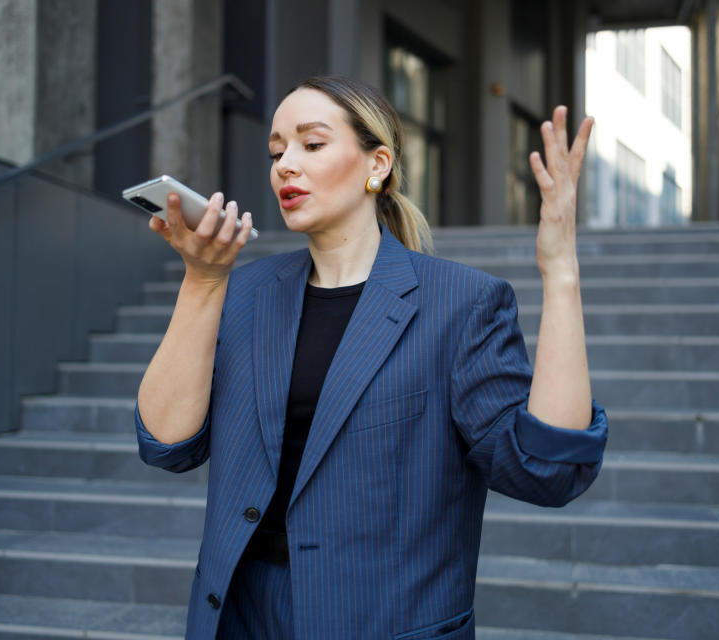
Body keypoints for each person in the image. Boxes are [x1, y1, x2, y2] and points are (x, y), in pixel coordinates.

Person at [134, 75, 607, 639]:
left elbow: (546, 470)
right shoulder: (246, 292)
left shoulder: (461, 304)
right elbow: (165, 444)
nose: (286, 164)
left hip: (382, 622)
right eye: (276, 150)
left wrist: (560, 272)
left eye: (311, 144)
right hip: (242, 617)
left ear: (376, 164)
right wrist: (204, 280)